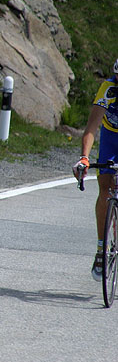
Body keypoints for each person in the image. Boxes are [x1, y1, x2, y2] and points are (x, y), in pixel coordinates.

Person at [73, 58, 118, 281]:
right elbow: (91, 129)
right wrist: (84, 158)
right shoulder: (108, 89)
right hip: (111, 139)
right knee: (105, 188)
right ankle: (102, 249)